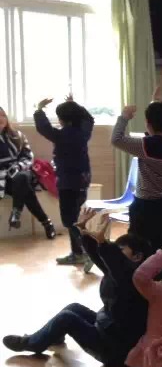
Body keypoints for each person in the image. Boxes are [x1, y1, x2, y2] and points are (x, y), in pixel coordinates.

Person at [3, 211, 152, 366]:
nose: (115, 253)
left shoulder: (134, 278)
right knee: (74, 308)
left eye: (120, 250)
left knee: (67, 318)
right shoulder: (118, 271)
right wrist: (83, 231)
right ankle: (53, 336)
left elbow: (115, 261)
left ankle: (31, 343)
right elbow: (97, 255)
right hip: (108, 328)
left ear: (137, 257)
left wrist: (103, 242)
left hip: (113, 348)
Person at [111, 102, 162, 251]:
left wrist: (124, 117)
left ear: (148, 123)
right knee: (156, 244)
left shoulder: (145, 145)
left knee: (135, 245)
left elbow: (116, 139)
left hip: (144, 205)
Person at [34, 96, 94, 264]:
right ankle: (78, 253)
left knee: (69, 221)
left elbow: (43, 127)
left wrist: (39, 109)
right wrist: (75, 105)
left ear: (61, 119)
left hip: (68, 183)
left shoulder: (61, 135)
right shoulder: (83, 133)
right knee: (75, 219)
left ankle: (87, 252)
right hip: (83, 181)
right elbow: (89, 119)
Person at [0, 106, 55, 238]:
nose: (0, 119)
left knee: (22, 177)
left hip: (21, 172)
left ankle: (16, 213)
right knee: (26, 190)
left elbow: (28, 156)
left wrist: (18, 166)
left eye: (2, 115)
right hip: (3, 179)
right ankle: (47, 222)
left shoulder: (17, 135)